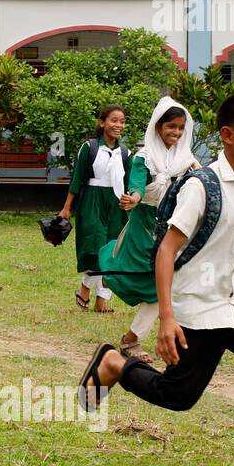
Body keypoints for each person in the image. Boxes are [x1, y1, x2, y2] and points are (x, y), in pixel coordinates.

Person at [78, 94, 234, 466]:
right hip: (197, 304)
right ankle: (114, 363)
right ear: (228, 135)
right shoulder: (203, 185)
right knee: (178, 396)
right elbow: (166, 250)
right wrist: (167, 318)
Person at [97, 98, 199, 360]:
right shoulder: (144, 158)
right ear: (157, 127)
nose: (175, 133)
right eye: (170, 127)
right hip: (145, 226)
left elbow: (203, 184)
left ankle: (144, 338)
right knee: (158, 288)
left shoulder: (187, 160)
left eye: (180, 128)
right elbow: (138, 184)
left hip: (176, 226)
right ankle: (133, 339)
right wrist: (134, 198)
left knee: (170, 287)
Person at [58, 105, 129, 313]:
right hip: (91, 201)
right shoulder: (89, 148)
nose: (118, 125)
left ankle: (99, 299)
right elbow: (77, 179)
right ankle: (87, 291)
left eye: (122, 121)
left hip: (116, 204)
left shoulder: (125, 152)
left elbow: (130, 182)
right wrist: (66, 208)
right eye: (113, 120)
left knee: (112, 251)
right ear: (102, 123)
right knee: (94, 249)